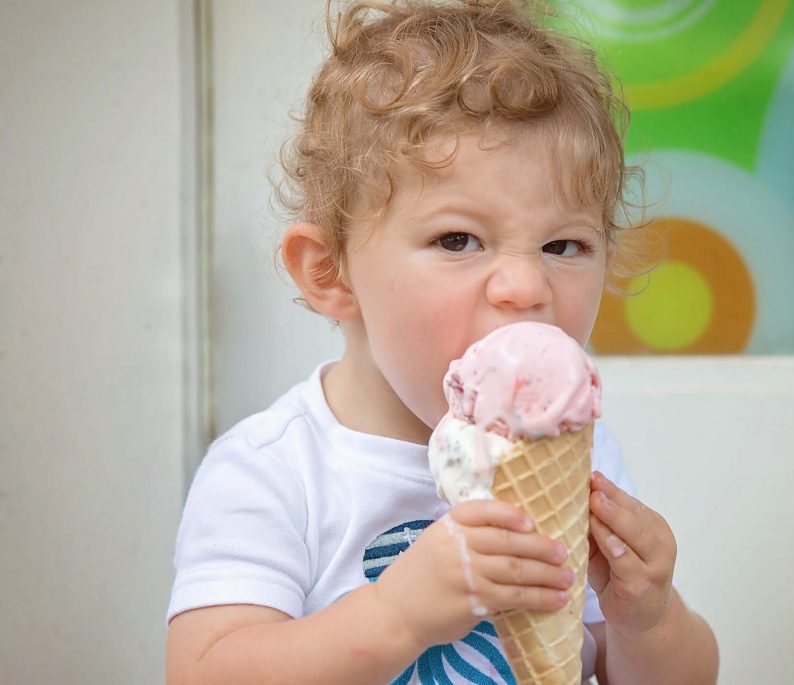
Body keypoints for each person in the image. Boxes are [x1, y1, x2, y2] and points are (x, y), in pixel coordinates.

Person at [165, 1, 719, 683]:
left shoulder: (585, 454)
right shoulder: (273, 470)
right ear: (329, 272)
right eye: (457, 239)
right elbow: (205, 671)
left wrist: (651, 620)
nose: (525, 284)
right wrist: (397, 614)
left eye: (563, 244)